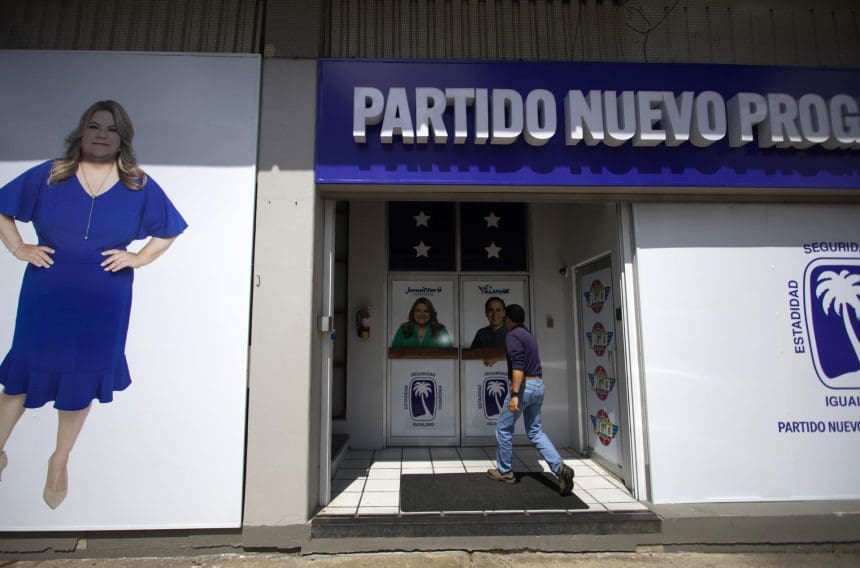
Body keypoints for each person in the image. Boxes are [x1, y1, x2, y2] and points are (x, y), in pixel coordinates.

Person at [0, 100, 187, 509]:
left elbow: (169, 230)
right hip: (48, 287)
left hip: (105, 296)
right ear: (81, 133)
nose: (101, 134)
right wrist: (18, 248)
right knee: (22, 370)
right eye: (94, 126)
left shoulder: (138, 184)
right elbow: (3, 207)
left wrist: (137, 257)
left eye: (111, 129)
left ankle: (59, 459)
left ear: (123, 138)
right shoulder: (51, 175)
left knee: (83, 376)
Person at [487, 304, 575, 496]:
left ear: (508, 318)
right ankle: (560, 468)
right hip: (538, 386)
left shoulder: (511, 336)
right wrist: (497, 358)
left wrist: (515, 394)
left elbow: (518, 365)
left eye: (503, 315)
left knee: (503, 428)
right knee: (535, 432)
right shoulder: (527, 334)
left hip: (524, 388)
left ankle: (505, 472)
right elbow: (518, 356)